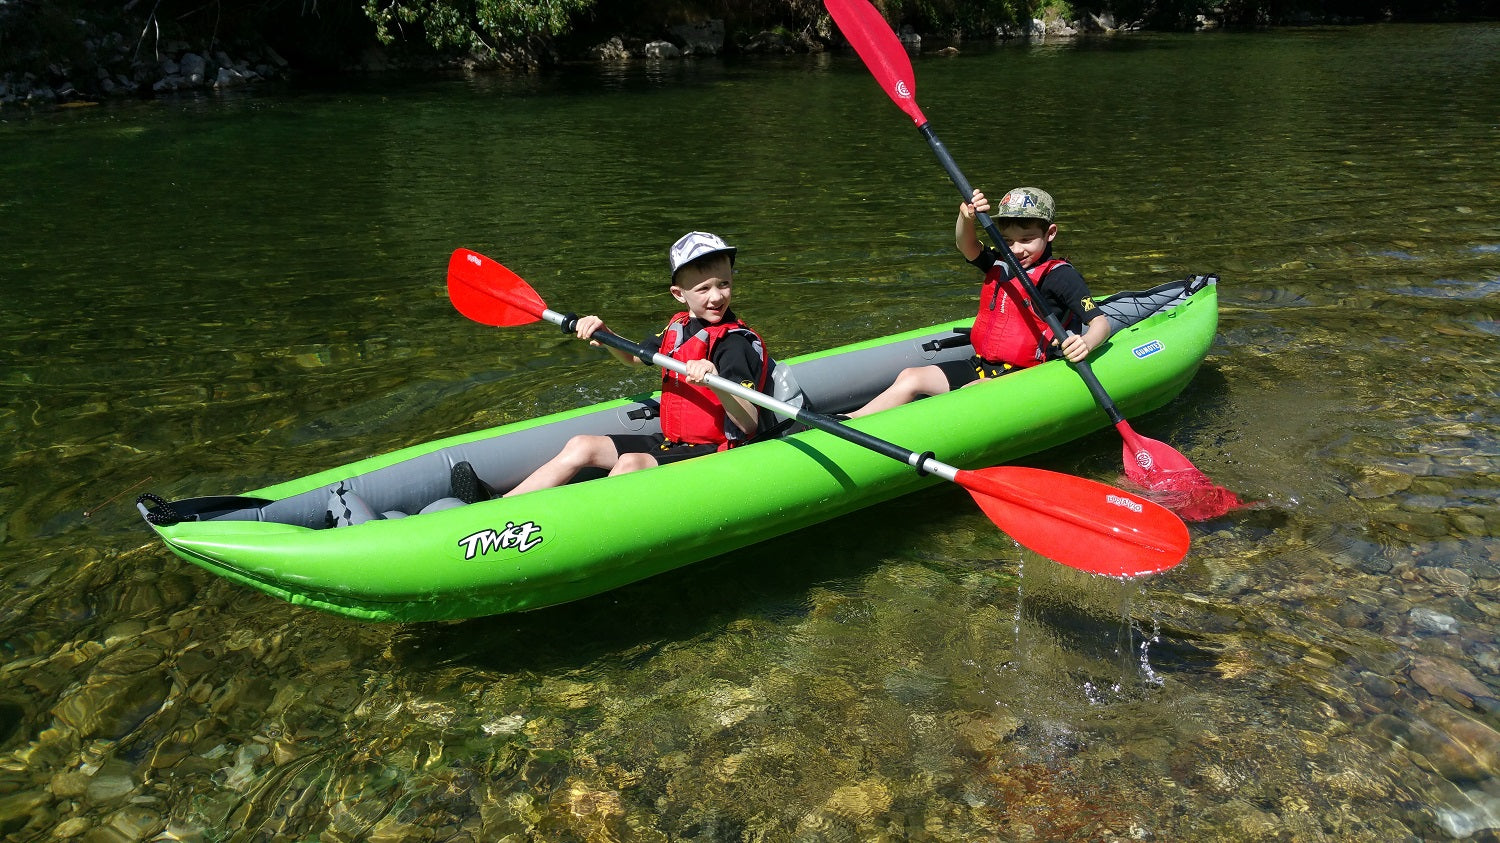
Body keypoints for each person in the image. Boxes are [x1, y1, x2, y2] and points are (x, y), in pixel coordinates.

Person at [490, 231, 771, 499]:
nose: (717, 296)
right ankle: (501, 506)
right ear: (678, 293)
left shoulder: (734, 344)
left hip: (718, 449)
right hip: (674, 441)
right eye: (703, 288)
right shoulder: (680, 326)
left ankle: (569, 524)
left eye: (724, 284)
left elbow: (748, 422)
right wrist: (607, 335)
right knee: (581, 445)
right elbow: (635, 358)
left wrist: (713, 379)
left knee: (630, 464)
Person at [845, 186, 1111, 419]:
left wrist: (1085, 343)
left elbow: (1099, 323)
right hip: (983, 365)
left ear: (1050, 233)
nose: (1017, 249)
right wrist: (966, 217)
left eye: (1027, 239)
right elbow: (966, 245)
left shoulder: (1061, 277)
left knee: (967, 395)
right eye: (1008, 241)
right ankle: (850, 419)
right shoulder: (1002, 262)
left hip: (1027, 374)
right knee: (911, 376)